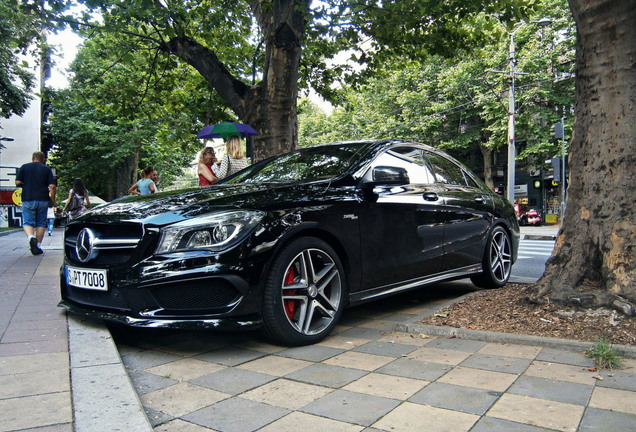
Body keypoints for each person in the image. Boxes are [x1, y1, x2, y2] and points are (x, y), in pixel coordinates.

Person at [15, 151, 57, 255]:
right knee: (41, 223)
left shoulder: (24, 167)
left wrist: (26, 183)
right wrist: (52, 199)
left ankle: (31, 237)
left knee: (27, 222)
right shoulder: (46, 169)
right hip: (43, 199)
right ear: (43, 159)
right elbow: (52, 186)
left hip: (28, 198)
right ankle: (37, 246)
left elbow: (17, 182)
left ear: (32, 158)